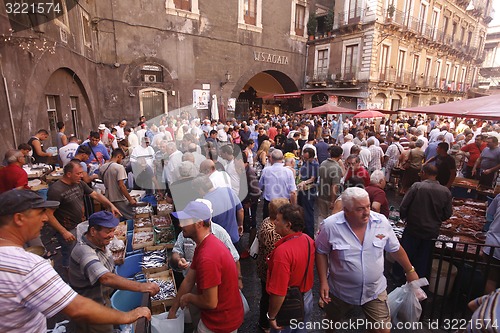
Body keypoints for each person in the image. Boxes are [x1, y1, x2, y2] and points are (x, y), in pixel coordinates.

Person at [0, 189, 151, 333]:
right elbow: (77, 308)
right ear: (19, 218)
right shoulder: (28, 266)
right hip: (91, 309)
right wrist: (129, 315)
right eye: (40, 213)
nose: (46, 218)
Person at [316, 187, 419, 333]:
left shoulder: (381, 222)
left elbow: (395, 248)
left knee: (382, 330)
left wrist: (410, 270)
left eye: (368, 206)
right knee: (332, 322)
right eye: (359, 209)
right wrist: (323, 282)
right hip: (340, 291)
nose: (367, 213)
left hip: (374, 291)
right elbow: (321, 252)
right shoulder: (330, 226)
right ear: (346, 210)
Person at [68, 211, 159, 332]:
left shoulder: (99, 242)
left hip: (103, 299)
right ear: (93, 231)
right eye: (107, 231)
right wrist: (142, 287)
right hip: (89, 308)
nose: (112, 235)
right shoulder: (84, 251)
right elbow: (105, 278)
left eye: (112, 230)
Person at [168, 201, 244, 333]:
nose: (180, 225)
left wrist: (188, 297)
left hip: (221, 323)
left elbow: (210, 302)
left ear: (199, 223)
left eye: (186, 221)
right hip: (217, 317)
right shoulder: (204, 245)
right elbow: (189, 280)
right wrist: (173, 310)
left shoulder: (208, 257)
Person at [46, 160, 121, 270]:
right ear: (68, 174)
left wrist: (110, 205)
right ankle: (70, 280)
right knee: (70, 256)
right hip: (68, 229)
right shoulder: (56, 190)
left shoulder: (79, 184)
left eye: (82, 173)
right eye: (78, 173)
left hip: (80, 226)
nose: (81, 176)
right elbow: (48, 214)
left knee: (83, 253)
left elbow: (95, 195)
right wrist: (64, 232)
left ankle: (83, 274)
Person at [394, 164, 452, 280]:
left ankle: (400, 277)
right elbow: (447, 213)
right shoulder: (445, 191)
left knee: (406, 255)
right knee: (424, 258)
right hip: (431, 231)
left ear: (424, 173)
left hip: (413, 228)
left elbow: (404, 206)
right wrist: (436, 220)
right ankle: (419, 282)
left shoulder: (417, 187)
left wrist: (405, 218)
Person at [266, 204, 315, 333]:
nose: (274, 222)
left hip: (288, 304)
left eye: (277, 220)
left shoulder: (282, 252)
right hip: (307, 298)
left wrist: (271, 316)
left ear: (288, 225)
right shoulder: (308, 240)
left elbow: (279, 292)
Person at [256, 198, 288, 332]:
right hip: (269, 271)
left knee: (266, 296)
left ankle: (264, 322)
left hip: (263, 268)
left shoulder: (266, 221)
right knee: (268, 297)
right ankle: (265, 323)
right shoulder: (273, 231)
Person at [259, 149, 297, 219]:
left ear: (271, 158)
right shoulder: (289, 172)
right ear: (282, 158)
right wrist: (294, 207)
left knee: (269, 224)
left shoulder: (266, 171)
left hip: (269, 204)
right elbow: (293, 192)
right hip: (284, 204)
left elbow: (260, 186)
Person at [99, 148, 137, 219]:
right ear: (119, 156)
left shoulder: (102, 167)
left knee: (113, 219)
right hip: (119, 199)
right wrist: (130, 199)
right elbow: (121, 186)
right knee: (132, 216)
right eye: (122, 158)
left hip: (108, 199)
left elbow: (103, 181)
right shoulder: (119, 167)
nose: (121, 161)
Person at [316, 146, 344, 237]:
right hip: (329, 198)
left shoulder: (323, 163)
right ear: (340, 155)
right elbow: (335, 186)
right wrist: (333, 201)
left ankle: (319, 235)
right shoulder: (336, 168)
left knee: (321, 217)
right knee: (330, 220)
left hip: (321, 195)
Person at [297, 147, 319, 238]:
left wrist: (304, 182)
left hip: (309, 190)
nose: (305, 159)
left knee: (308, 212)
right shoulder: (305, 162)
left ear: (311, 157)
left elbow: (313, 178)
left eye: (306, 158)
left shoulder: (315, 165)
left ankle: (309, 234)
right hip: (302, 189)